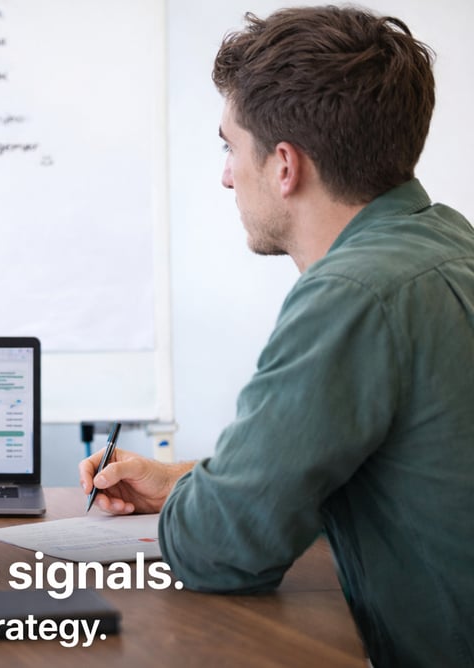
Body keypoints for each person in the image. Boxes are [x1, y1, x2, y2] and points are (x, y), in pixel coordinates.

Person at [80, 7, 473, 667]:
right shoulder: (447, 240)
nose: (226, 174)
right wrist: (186, 480)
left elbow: (220, 547)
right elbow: (356, 465)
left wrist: (204, 501)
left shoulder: (352, 294)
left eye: (230, 148)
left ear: (284, 166)